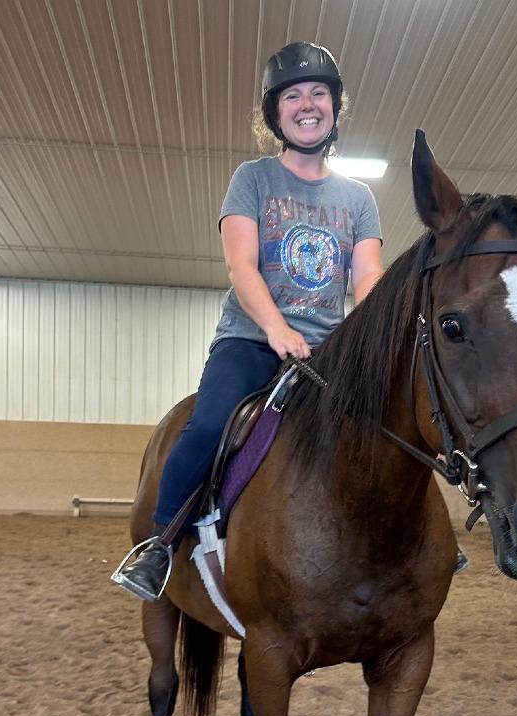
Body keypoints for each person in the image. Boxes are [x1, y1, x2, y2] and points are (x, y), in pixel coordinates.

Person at [114, 41, 384, 602]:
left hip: (327, 353)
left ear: (335, 107)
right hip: (250, 341)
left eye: (318, 93)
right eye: (293, 95)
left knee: (388, 423)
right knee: (209, 426)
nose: (307, 104)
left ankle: (415, 539)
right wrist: (275, 329)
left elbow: (368, 276)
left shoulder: (358, 199)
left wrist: (372, 341)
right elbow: (241, 262)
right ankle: (160, 542)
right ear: (275, 112)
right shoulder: (254, 179)